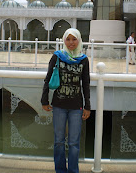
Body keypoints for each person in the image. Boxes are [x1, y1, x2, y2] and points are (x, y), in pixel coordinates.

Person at [41, 28, 91, 173]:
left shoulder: (83, 60)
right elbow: (48, 79)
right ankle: (60, 170)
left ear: (79, 40)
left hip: (76, 107)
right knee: (58, 142)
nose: (71, 42)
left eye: (74, 39)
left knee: (74, 143)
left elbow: (86, 84)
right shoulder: (57, 56)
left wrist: (87, 106)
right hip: (58, 106)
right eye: (68, 39)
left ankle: (73, 170)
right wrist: (44, 100)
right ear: (64, 40)